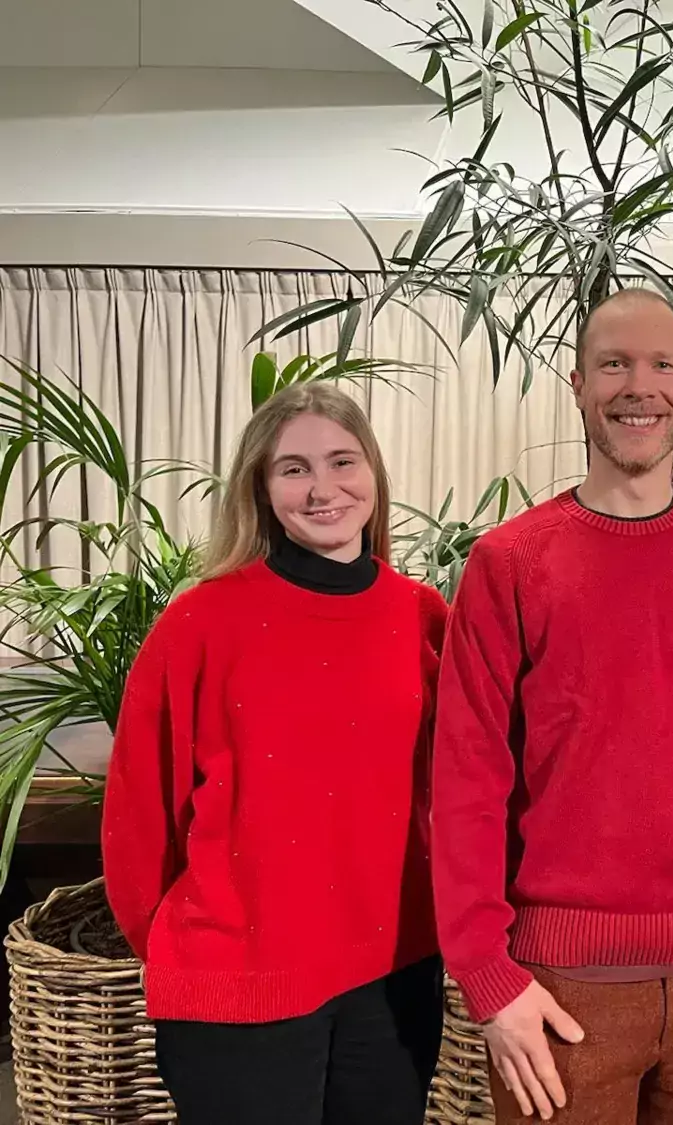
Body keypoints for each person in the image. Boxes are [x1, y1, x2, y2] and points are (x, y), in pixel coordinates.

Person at [430, 286, 673, 1125]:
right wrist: (489, 979)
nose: (641, 385)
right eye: (615, 364)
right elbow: (464, 782)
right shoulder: (510, 562)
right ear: (578, 385)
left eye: (662, 363)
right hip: (562, 989)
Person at [101, 383, 451, 1125]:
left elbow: (455, 789)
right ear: (260, 487)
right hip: (237, 981)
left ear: (374, 474)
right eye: (293, 468)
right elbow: (140, 809)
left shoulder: (422, 616)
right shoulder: (201, 621)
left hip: (394, 972)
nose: (323, 488)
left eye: (342, 461)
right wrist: (182, 948)